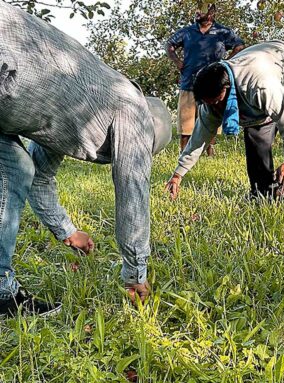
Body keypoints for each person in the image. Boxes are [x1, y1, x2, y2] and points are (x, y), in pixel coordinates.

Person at [0, 1, 172, 317]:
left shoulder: (85, 111)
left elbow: (40, 175)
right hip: (6, 57)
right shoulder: (132, 110)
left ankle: (2, 294)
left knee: (17, 169)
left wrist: (66, 230)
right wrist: (136, 273)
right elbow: (132, 194)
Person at [166, 40, 284, 199]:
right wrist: (178, 174)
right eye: (210, 104)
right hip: (272, 88)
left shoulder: (259, 84)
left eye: (218, 102)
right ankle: (263, 196)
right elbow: (200, 137)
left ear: (226, 90)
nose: (215, 108)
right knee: (256, 140)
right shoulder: (211, 102)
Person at [166, 2, 244, 154]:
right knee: (186, 124)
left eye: (200, 11)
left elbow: (239, 45)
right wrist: (178, 62)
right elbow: (169, 44)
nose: (197, 13)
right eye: (196, 10)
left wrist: (226, 63)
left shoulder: (223, 31)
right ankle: (184, 153)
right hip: (189, 82)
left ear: (211, 13)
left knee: (211, 120)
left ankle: (209, 154)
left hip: (213, 84)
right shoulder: (187, 32)